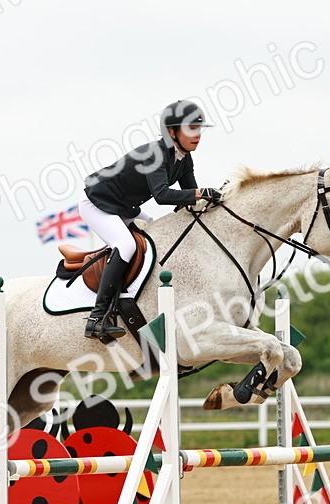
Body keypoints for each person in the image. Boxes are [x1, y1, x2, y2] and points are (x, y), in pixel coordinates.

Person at [78, 99, 224, 342]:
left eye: (198, 129)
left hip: (125, 207)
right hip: (97, 203)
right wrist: (199, 194)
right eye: (190, 129)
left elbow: (189, 198)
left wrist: (217, 199)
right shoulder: (156, 154)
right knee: (125, 245)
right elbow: (163, 195)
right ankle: (97, 317)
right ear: (172, 132)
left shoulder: (184, 159)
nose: (197, 135)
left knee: (155, 230)